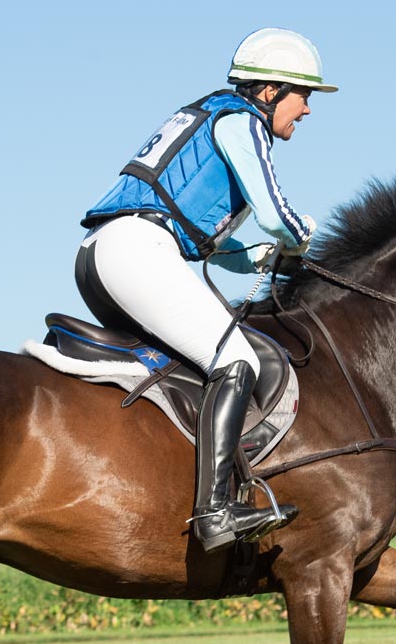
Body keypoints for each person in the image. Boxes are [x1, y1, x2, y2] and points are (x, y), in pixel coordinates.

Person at [76, 27, 336, 552]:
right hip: (136, 253)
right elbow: (275, 215)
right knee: (237, 361)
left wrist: (265, 260)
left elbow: (209, 243)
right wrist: (303, 237)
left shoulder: (212, 120)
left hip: (102, 255)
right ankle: (216, 511)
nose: (307, 110)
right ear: (269, 92)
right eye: (303, 95)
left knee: (194, 365)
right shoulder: (243, 122)